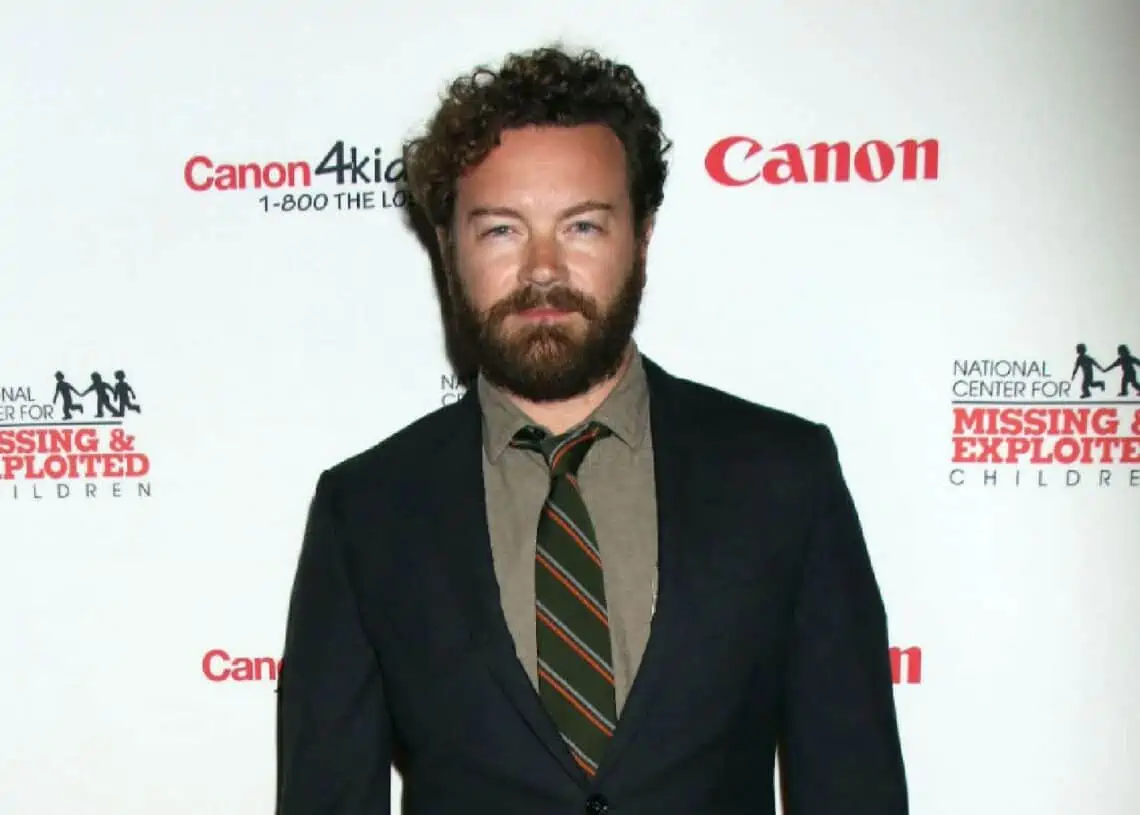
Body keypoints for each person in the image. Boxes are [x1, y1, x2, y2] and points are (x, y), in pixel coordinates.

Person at [276, 45, 908, 814]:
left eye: (581, 225)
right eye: (501, 230)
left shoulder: (784, 477)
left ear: (642, 235)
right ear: (448, 249)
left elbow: (854, 788)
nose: (543, 269)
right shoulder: (364, 510)